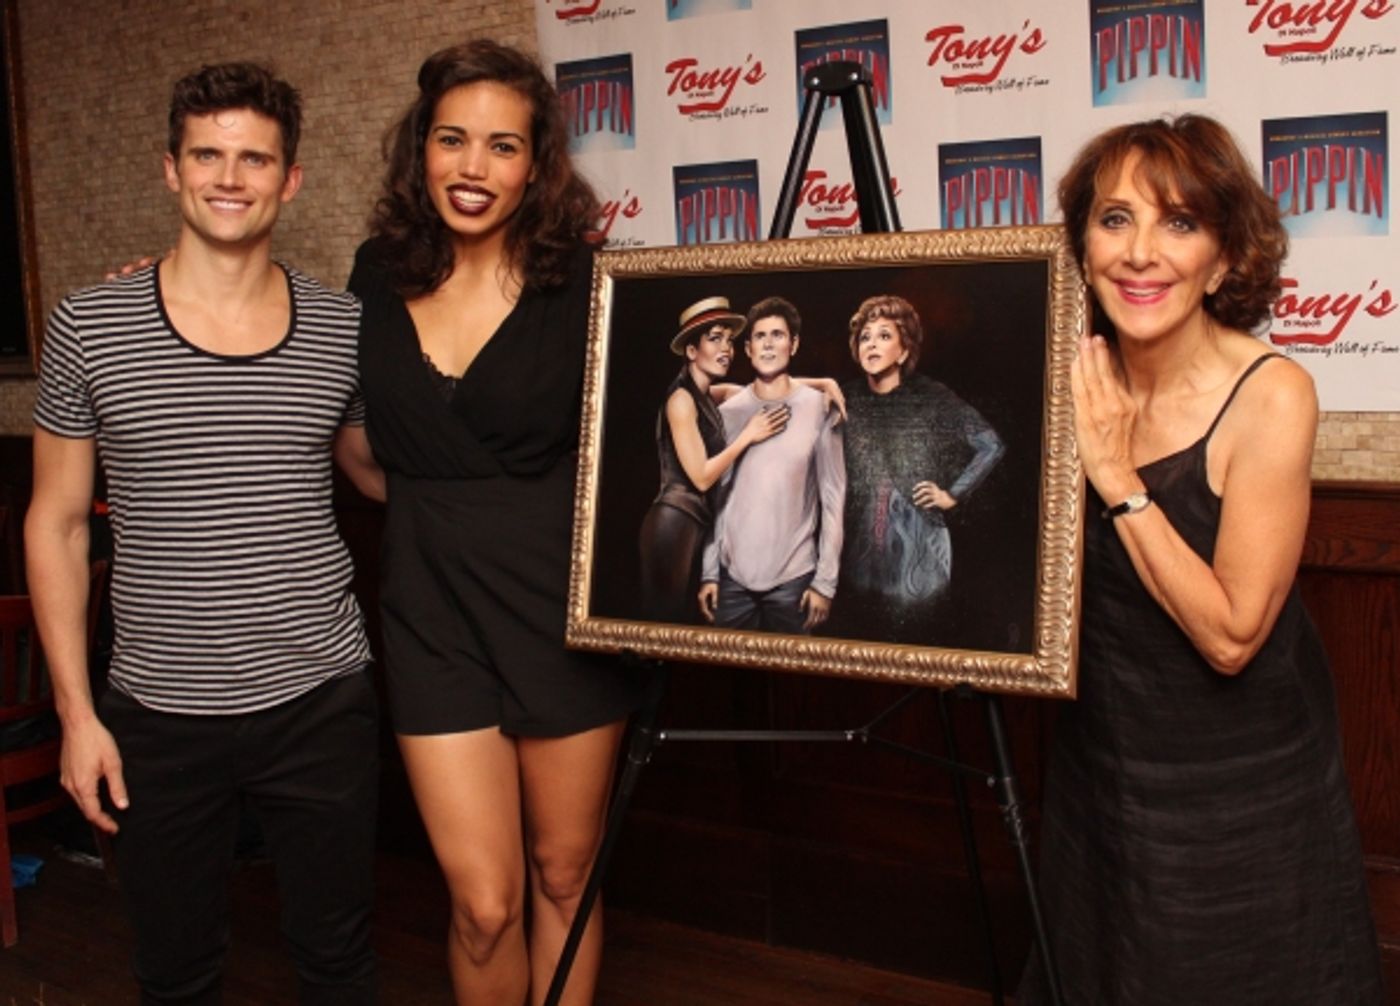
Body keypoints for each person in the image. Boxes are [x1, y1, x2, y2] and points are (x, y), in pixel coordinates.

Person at [26, 63, 384, 1004]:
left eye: (254, 159)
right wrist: (77, 719)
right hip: (157, 713)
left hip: (319, 697)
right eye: (207, 156)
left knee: (339, 962)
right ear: (172, 170)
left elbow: (374, 470)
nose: (230, 178)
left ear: (289, 179)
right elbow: (56, 523)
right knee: (175, 973)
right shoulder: (90, 325)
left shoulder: (343, 327)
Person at [1018, 114, 1383, 1005]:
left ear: (1222, 260)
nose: (1141, 252)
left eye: (1179, 223)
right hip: (1101, 764)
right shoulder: (1063, 374)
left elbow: (1231, 636)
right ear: (1083, 247)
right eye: (1115, 219)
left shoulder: (1272, 393)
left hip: (1242, 786)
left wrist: (1116, 476)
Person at [346, 40, 644, 1005]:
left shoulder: (589, 282)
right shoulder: (375, 273)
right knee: (482, 902)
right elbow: (350, 436)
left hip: (561, 611)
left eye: (502, 146)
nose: (473, 167)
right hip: (427, 611)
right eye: (452, 139)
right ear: (420, 149)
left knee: (563, 874)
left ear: (536, 164)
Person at [839, 294, 1003, 631]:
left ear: (903, 351)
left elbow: (990, 445)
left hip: (918, 543)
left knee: (916, 626)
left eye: (884, 335)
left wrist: (952, 495)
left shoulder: (931, 395)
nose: (872, 344)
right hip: (858, 543)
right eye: (865, 337)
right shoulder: (844, 397)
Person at [637, 295, 790, 623]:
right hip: (673, 524)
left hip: (693, 524)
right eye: (715, 339)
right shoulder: (681, 400)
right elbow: (702, 477)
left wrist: (824, 384)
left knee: (681, 625)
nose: (726, 349)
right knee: (663, 626)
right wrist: (747, 436)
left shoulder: (707, 394)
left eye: (729, 341)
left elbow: (758, 389)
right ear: (692, 351)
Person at [698, 296, 845, 633]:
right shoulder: (728, 413)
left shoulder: (820, 408)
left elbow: (834, 497)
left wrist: (825, 583)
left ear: (794, 344)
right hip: (731, 581)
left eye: (777, 335)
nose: (767, 344)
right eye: (760, 336)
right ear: (748, 348)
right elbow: (716, 500)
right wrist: (709, 572)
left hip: (795, 580)